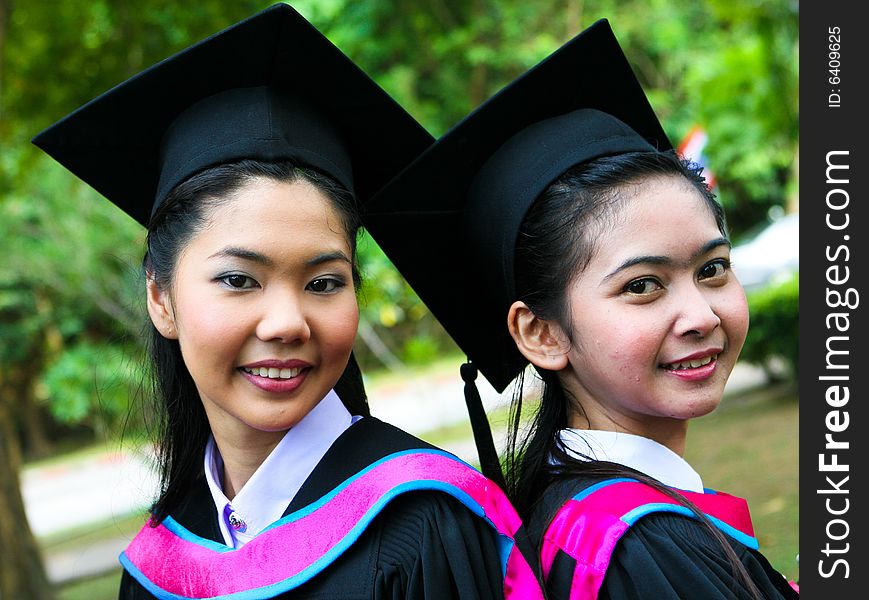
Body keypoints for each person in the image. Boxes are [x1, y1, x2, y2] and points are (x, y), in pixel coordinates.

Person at [32, 5, 542, 599]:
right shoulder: (158, 568)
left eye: (324, 283)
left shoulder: (423, 524)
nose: (286, 323)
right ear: (161, 298)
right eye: (239, 280)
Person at [363, 18, 798, 600]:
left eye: (712, 269)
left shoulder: (576, 513)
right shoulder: (633, 546)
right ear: (541, 334)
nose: (700, 314)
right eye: (643, 285)